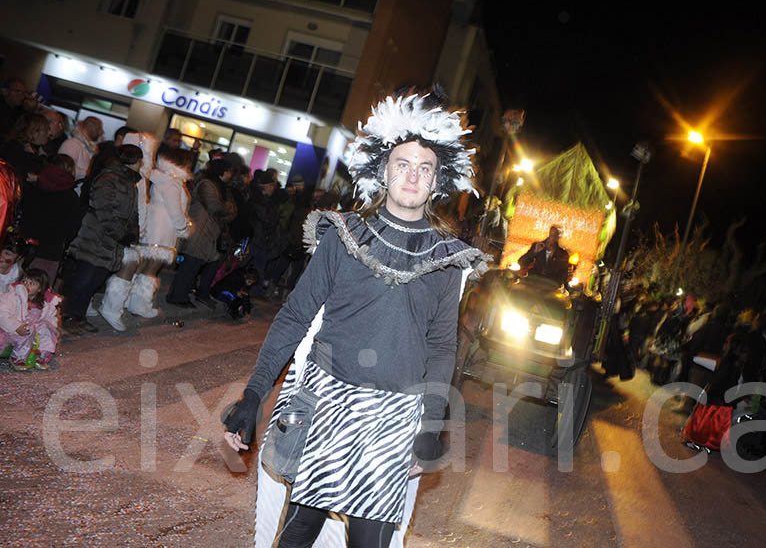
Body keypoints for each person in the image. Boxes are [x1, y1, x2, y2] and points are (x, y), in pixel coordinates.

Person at [222, 88, 488, 547]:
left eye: (424, 169)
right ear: (383, 170)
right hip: (326, 402)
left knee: (370, 543)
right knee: (296, 534)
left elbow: (443, 347)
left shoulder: (448, 258)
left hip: (394, 416)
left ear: (437, 182)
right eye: (402, 164)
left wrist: (431, 423)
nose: (412, 176)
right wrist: (253, 395)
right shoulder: (345, 234)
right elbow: (295, 317)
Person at [97, 146, 193, 330]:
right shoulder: (172, 183)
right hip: (162, 230)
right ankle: (119, 305)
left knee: (144, 268)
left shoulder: (164, 179)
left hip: (156, 228)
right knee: (149, 268)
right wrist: (184, 228)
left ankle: (132, 303)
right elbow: (176, 212)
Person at [61, 144, 142, 335]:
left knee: (95, 279)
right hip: (96, 236)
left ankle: (78, 316)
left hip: (112, 240)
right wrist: (119, 233)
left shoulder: (130, 183)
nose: (141, 164)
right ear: (133, 161)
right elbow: (103, 209)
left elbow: (133, 213)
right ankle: (67, 316)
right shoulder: (109, 178)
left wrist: (132, 232)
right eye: (140, 160)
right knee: (85, 278)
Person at [166, 159, 235, 308]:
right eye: (229, 171)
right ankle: (177, 296)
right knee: (190, 264)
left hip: (210, 232)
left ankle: (182, 295)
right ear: (222, 171)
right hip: (200, 229)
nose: (230, 175)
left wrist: (227, 209)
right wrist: (227, 208)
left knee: (196, 265)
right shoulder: (207, 184)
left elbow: (232, 211)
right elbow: (215, 207)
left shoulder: (223, 188)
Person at [19, 154, 83, 288]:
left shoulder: (34, 188)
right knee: (40, 289)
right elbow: (73, 227)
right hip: (52, 249)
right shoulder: (70, 197)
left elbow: (23, 212)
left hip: (25, 245)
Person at [0, 268, 61, 370]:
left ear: (40, 289)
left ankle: (41, 356)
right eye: (24, 281)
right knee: (28, 330)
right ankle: (18, 357)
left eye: (31, 283)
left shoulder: (45, 303)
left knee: (46, 329)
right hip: (12, 330)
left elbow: (50, 317)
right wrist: (16, 326)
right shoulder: (12, 296)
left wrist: (53, 328)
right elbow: (2, 313)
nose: (26, 285)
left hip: (34, 332)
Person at [0, 113, 49, 186]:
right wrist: (33, 156)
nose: (48, 134)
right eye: (45, 130)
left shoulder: (35, 149)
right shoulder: (15, 149)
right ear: (34, 132)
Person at [59, 116, 103, 190]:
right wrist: (89, 174)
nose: (101, 132)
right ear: (90, 127)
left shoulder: (89, 148)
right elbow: (64, 169)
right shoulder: (72, 144)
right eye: (99, 128)